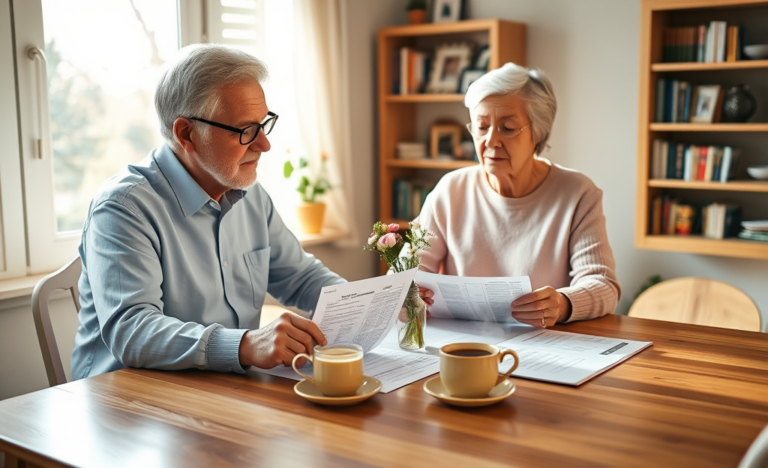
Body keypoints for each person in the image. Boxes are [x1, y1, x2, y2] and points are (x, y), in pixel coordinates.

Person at [71, 44, 344, 379]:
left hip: (220, 389)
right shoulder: (123, 208)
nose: (264, 144)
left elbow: (301, 277)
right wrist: (245, 345)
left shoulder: (251, 194)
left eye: (264, 124)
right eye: (246, 130)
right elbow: (133, 331)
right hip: (125, 402)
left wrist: (370, 304)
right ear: (187, 134)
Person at [416, 63, 620, 327]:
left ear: (538, 133)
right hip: (465, 346)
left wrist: (562, 303)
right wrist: (410, 293)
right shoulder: (450, 190)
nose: (490, 141)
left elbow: (603, 285)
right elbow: (407, 272)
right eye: (481, 126)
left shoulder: (579, 194)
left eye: (508, 128)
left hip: (545, 345)